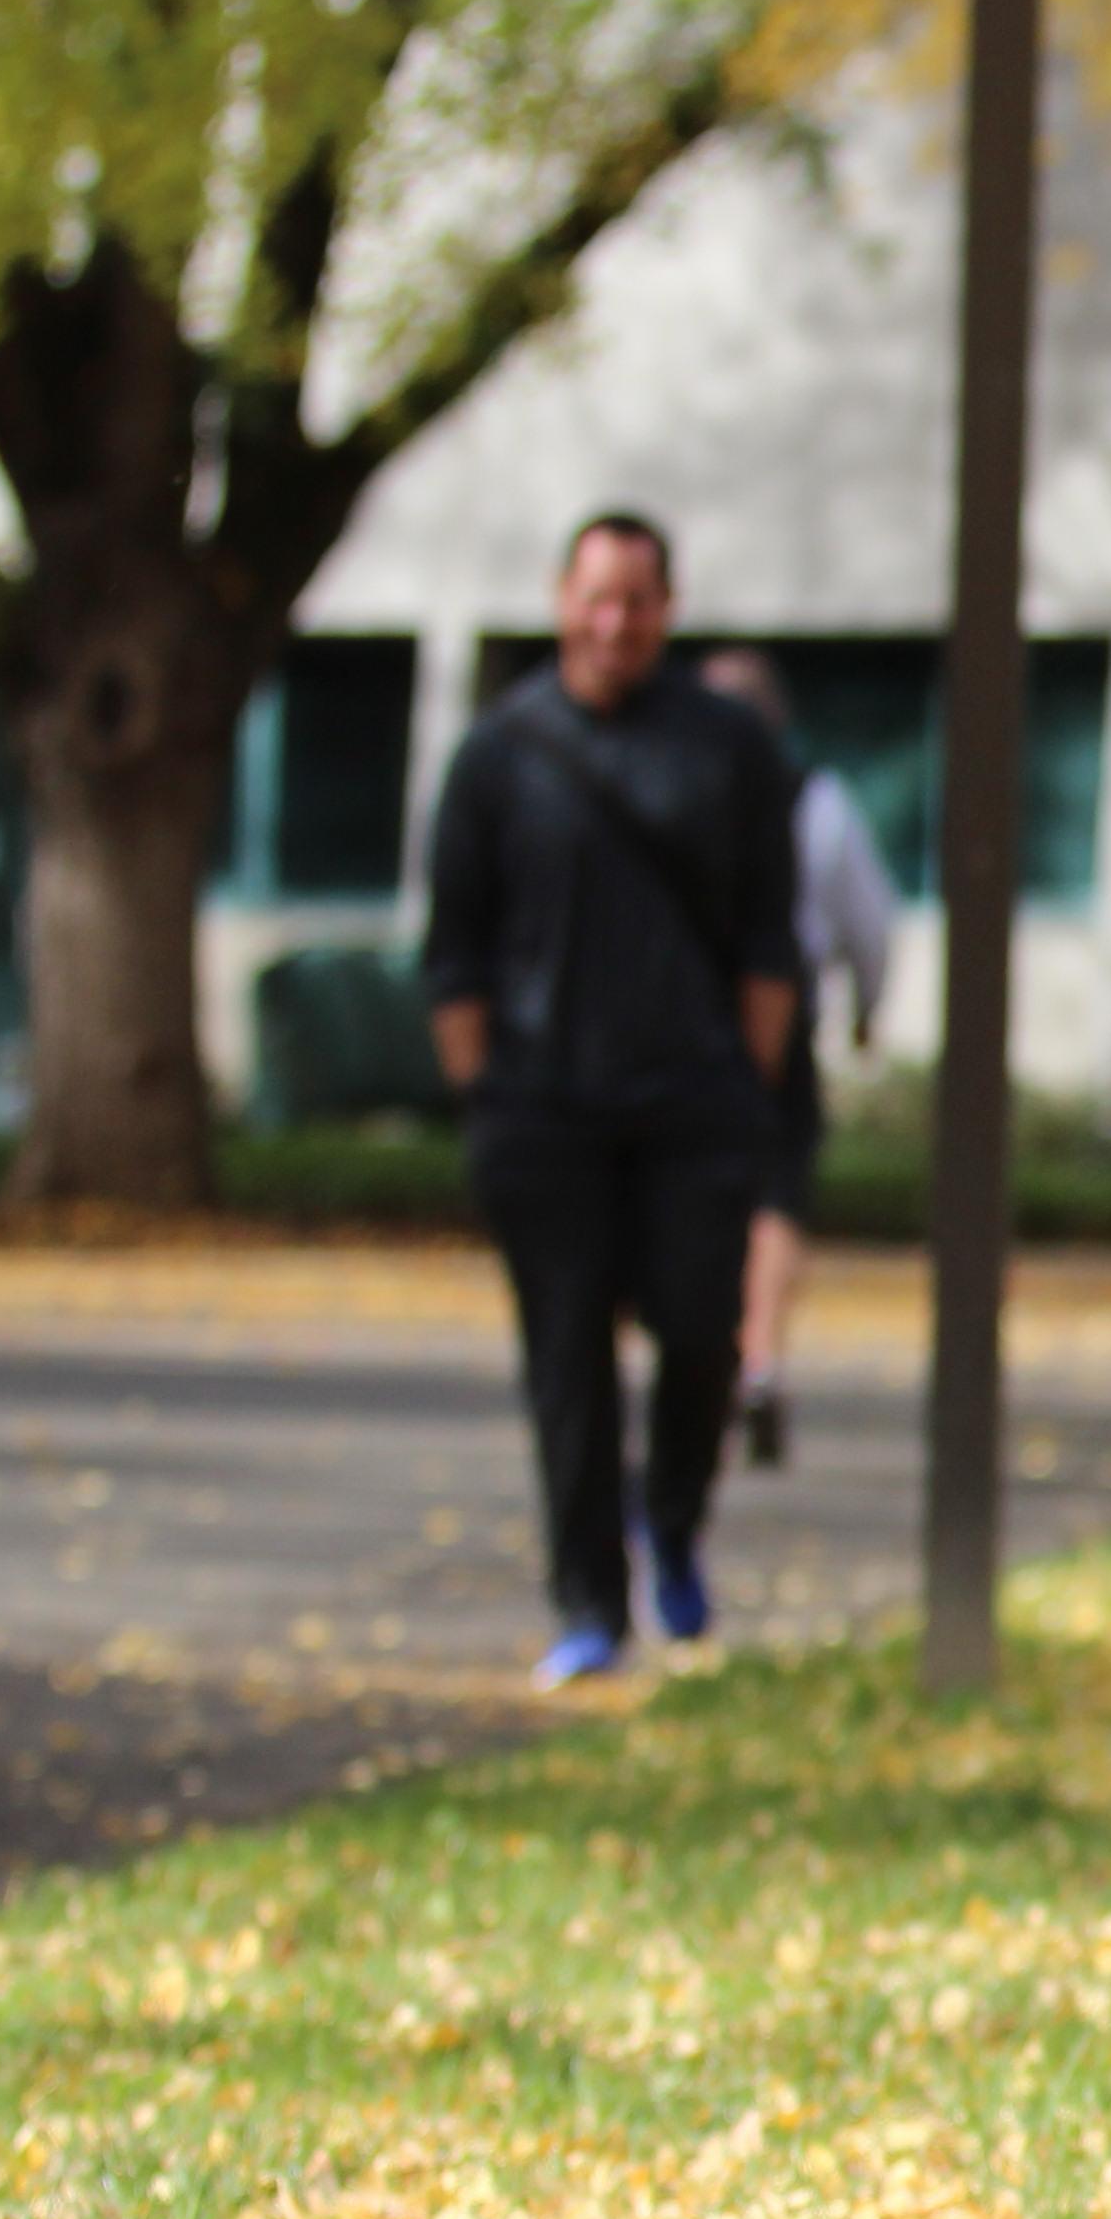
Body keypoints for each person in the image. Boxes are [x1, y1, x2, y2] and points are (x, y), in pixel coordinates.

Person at [422, 514, 801, 1688]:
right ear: (560, 599)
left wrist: (747, 1082)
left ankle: (673, 1521)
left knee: (701, 1334)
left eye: (637, 600)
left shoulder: (727, 748)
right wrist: (485, 1093)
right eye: (596, 597)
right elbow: (455, 950)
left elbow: (769, 940)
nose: (614, 622)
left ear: (668, 608)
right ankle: (589, 1608)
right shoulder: (501, 753)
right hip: (544, 1111)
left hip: (692, 1103)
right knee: (568, 1365)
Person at [698, 647, 900, 1470]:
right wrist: (865, 1013)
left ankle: (718, 1354)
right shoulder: (817, 801)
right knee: (777, 1195)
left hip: (694, 1027)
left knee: (710, 1196)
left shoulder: (675, 793)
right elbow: (871, 924)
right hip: (776, 1020)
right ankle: (759, 1355)